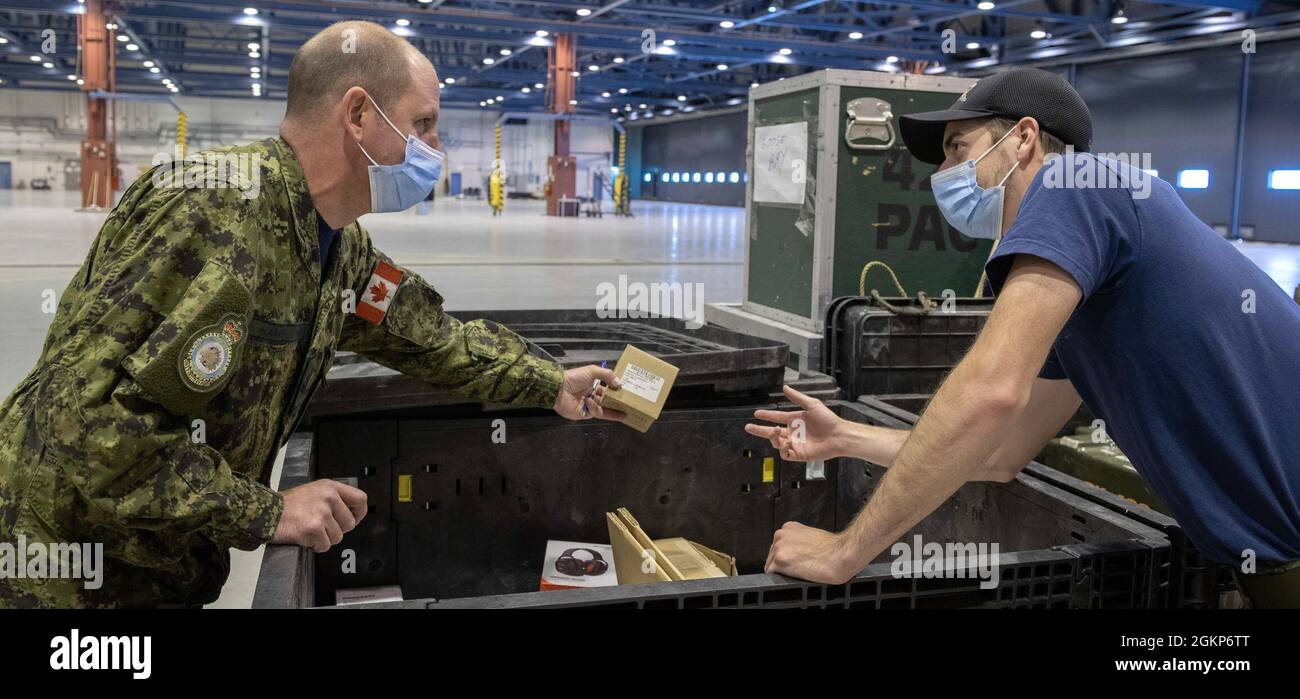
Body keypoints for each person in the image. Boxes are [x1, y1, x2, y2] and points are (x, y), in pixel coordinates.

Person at [0, 21, 623, 608]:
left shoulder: (335, 244)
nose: (434, 149)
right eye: (423, 123)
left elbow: (429, 338)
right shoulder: (208, 210)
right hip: (61, 569)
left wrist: (548, 382)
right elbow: (85, 427)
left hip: (156, 567)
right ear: (358, 114)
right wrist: (266, 511)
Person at [747, 68, 1300, 607]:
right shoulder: (1090, 281)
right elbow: (1000, 453)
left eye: (957, 147)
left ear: (1024, 138)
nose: (942, 170)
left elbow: (990, 395)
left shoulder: (1073, 185)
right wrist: (847, 437)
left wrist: (845, 552)